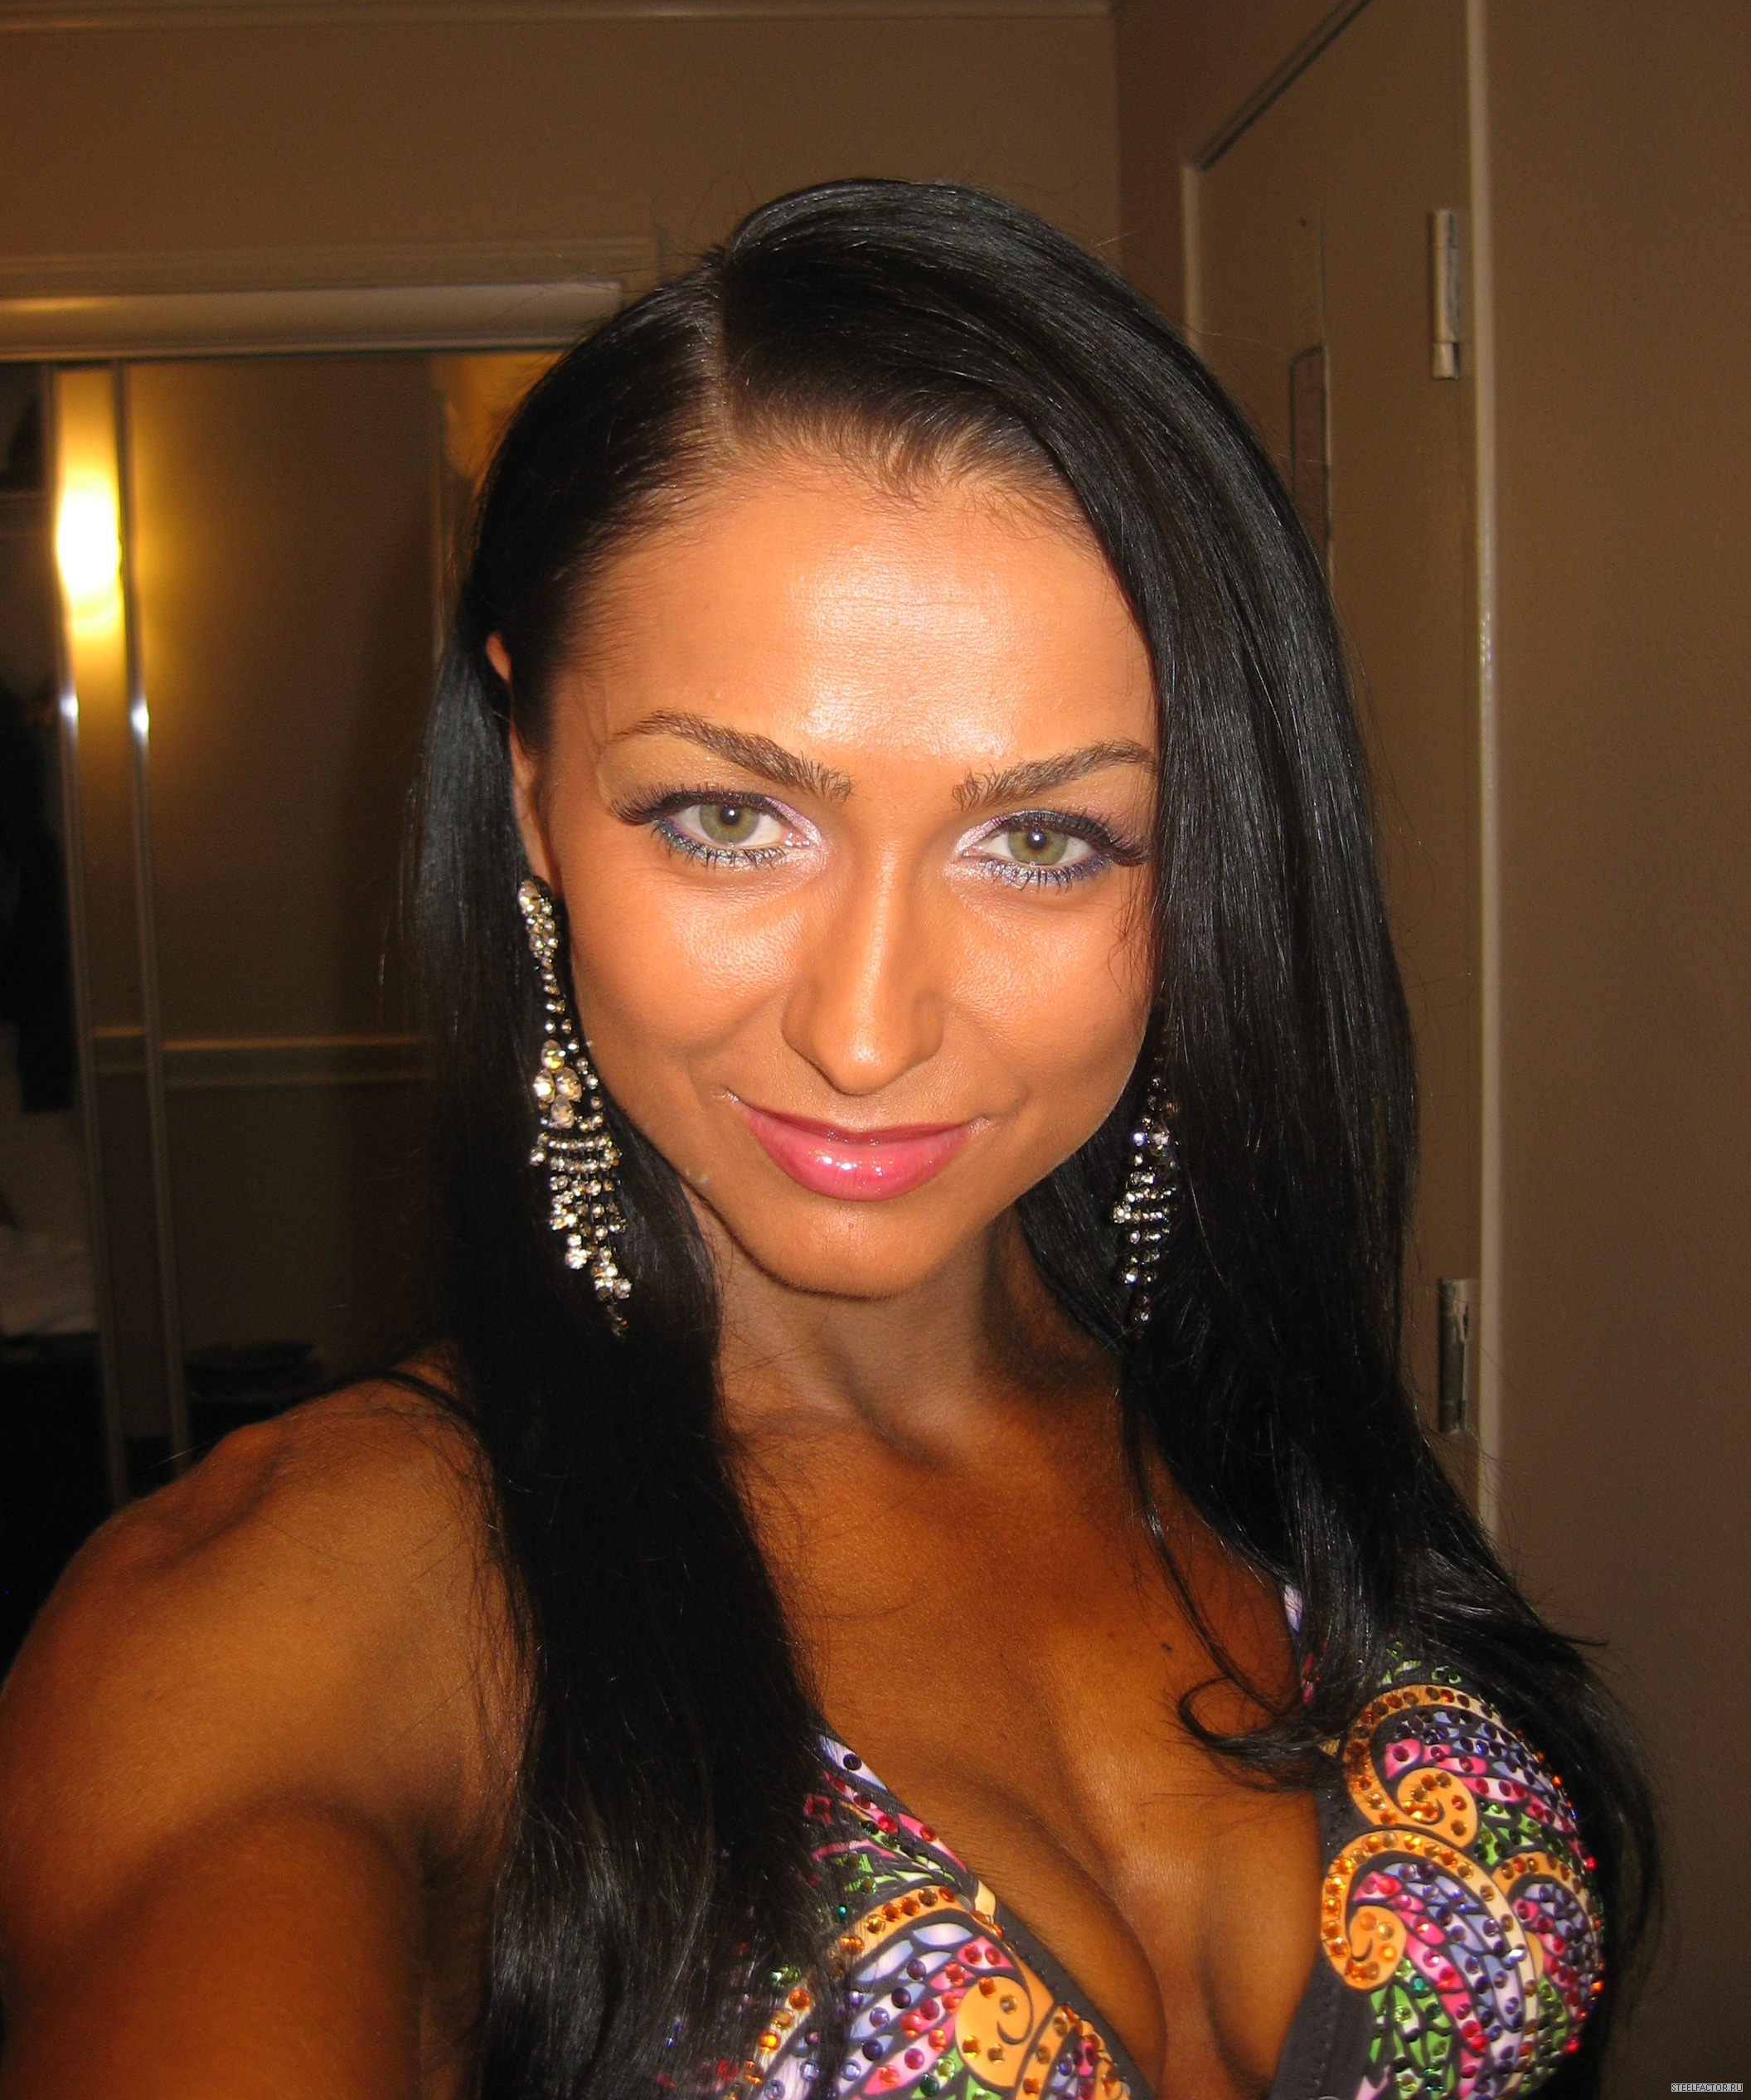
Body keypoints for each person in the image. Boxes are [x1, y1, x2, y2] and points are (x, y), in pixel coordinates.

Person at [0, 182, 1655, 2100]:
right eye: (727, 817)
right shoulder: (313, 1596)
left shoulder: (1248, 1420)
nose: (866, 1031)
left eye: (1043, 839)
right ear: (530, 784)